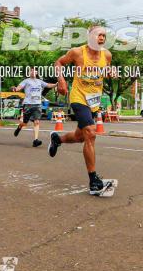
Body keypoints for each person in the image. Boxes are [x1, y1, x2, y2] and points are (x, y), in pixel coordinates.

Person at [48, 25, 115, 195]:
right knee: (91, 133)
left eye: (104, 36)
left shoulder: (106, 55)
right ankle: (93, 179)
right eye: (99, 35)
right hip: (78, 97)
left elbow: (105, 71)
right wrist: (61, 80)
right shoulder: (77, 52)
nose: (102, 38)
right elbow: (59, 63)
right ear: (90, 36)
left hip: (94, 100)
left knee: (80, 137)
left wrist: (110, 72)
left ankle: (57, 140)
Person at [12, 68, 56, 147]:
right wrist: (15, 89)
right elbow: (19, 87)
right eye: (31, 71)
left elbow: (48, 85)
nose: (32, 72)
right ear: (29, 73)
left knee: (37, 121)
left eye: (34, 71)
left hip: (37, 104)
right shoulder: (26, 81)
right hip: (28, 104)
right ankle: (19, 127)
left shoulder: (40, 81)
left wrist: (56, 84)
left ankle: (35, 140)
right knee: (25, 123)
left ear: (36, 72)